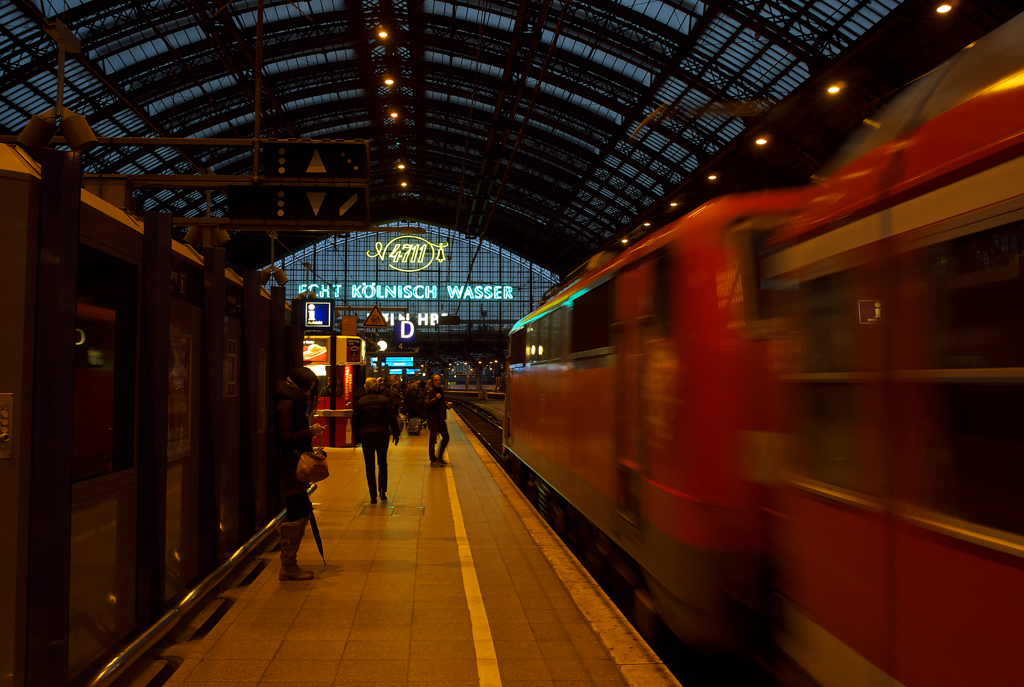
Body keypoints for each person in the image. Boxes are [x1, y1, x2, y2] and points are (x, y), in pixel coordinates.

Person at [274, 367, 325, 581]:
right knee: (296, 512)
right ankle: (288, 565)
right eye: (308, 388)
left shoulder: (291, 401)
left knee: (301, 510)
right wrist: (310, 431)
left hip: (294, 467)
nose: (308, 393)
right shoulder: (287, 404)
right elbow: (285, 437)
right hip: (290, 468)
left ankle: (289, 562)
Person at [353, 377, 400, 503]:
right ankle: (383, 491)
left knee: (370, 465)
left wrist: (356, 437)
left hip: (366, 435)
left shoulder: (360, 402)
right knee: (382, 462)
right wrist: (396, 433)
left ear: (366, 388)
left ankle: (373, 495)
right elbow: (392, 418)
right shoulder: (384, 401)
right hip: (382, 434)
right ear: (377, 387)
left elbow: (355, 422)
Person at [423, 374, 450, 466]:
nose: (439, 382)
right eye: (436, 380)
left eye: (439, 380)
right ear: (432, 381)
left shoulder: (440, 390)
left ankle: (439, 456)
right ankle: (433, 459)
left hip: (440, 418)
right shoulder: (429, 390)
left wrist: (446, 406)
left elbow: (441, 403)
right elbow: (426, 404)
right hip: (433, 418)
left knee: (446, 437)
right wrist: (435, 399)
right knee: (433, 439)